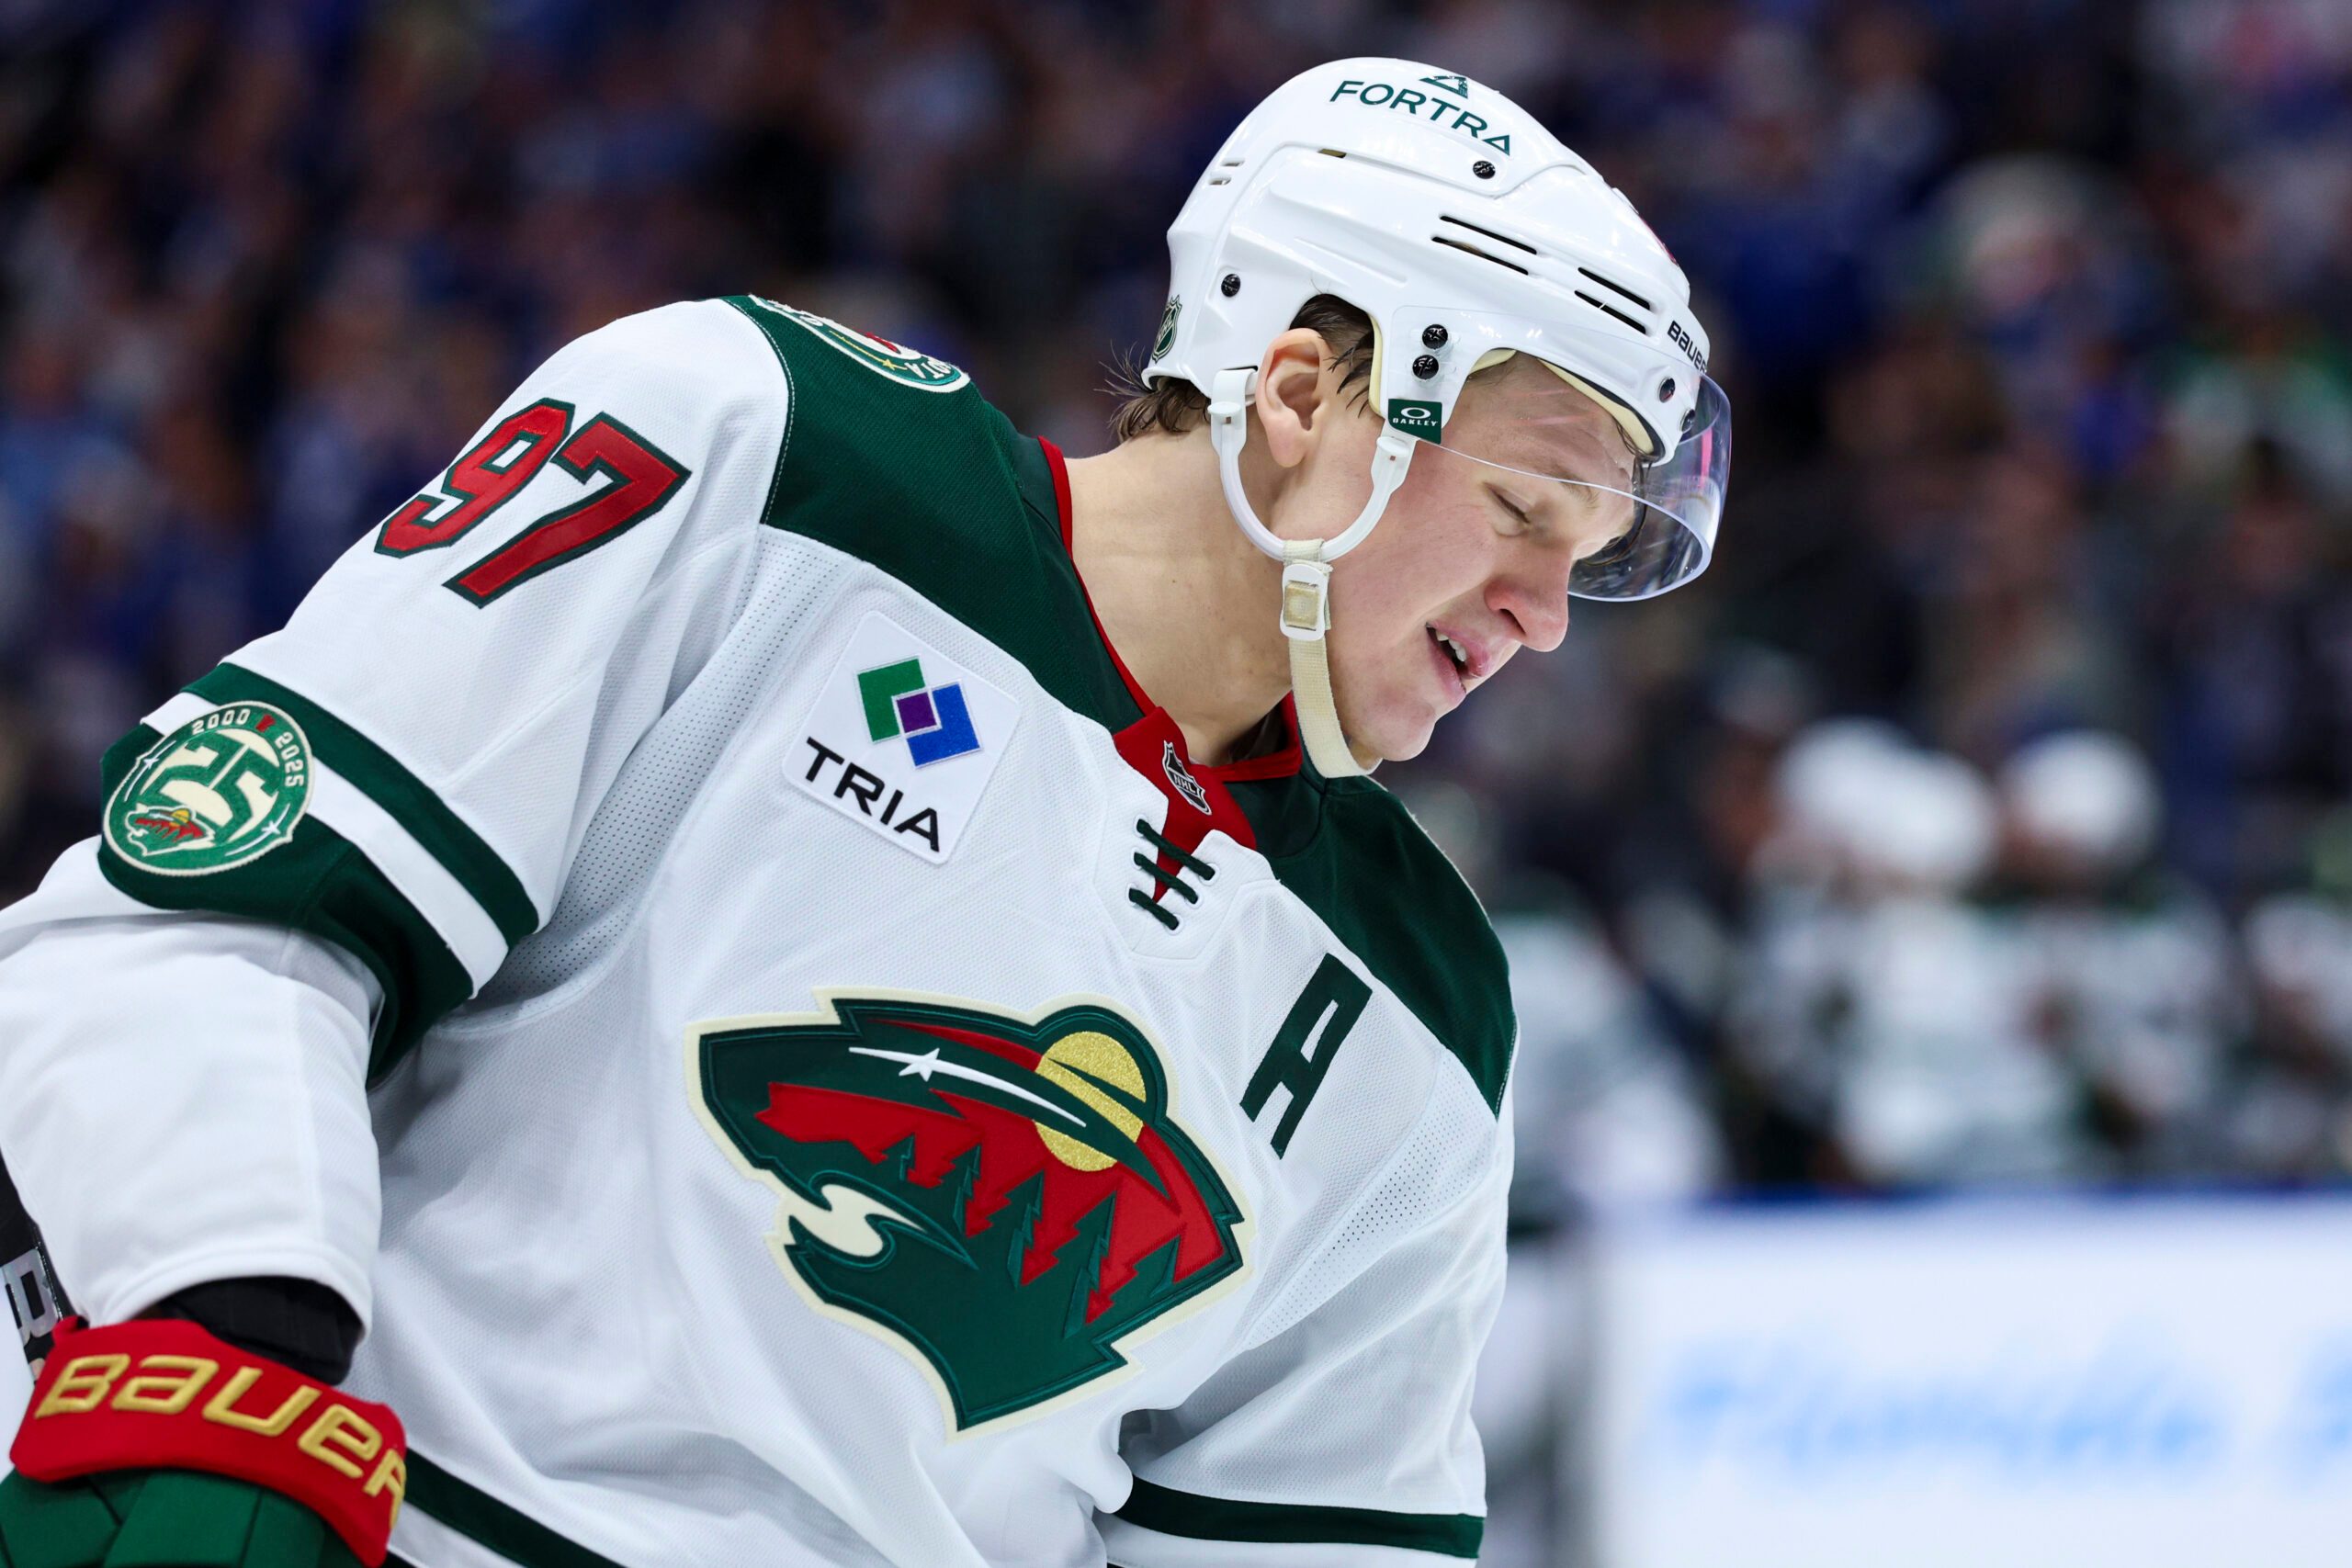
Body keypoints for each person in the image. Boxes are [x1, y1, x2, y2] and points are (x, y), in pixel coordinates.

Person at [0, 58, 1727, 1568]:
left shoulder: (1419, 1004)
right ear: (1297, 395)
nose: (1544, 616)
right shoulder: (770, 456)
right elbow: (224, 912)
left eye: (1584, 562)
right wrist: (227, 1348)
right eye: (1520, 505)